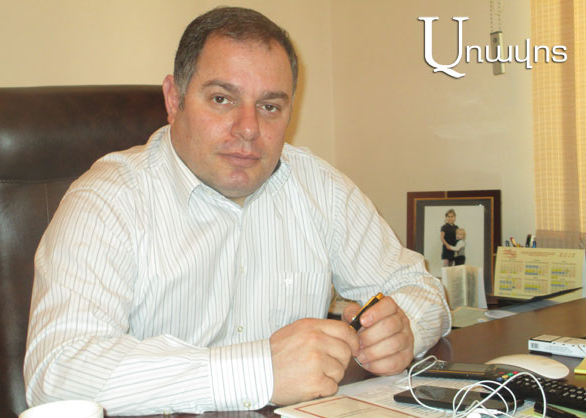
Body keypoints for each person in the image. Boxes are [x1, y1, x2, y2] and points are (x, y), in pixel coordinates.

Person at [24, 6, 451, 416]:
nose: (248, 128)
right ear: (174, 99)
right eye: (222, 99)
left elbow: (420, 287)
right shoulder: (108, 200)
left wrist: (403, 330)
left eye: (270, 106)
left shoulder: (321, 188)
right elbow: (58, 372)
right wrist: (259, 372)